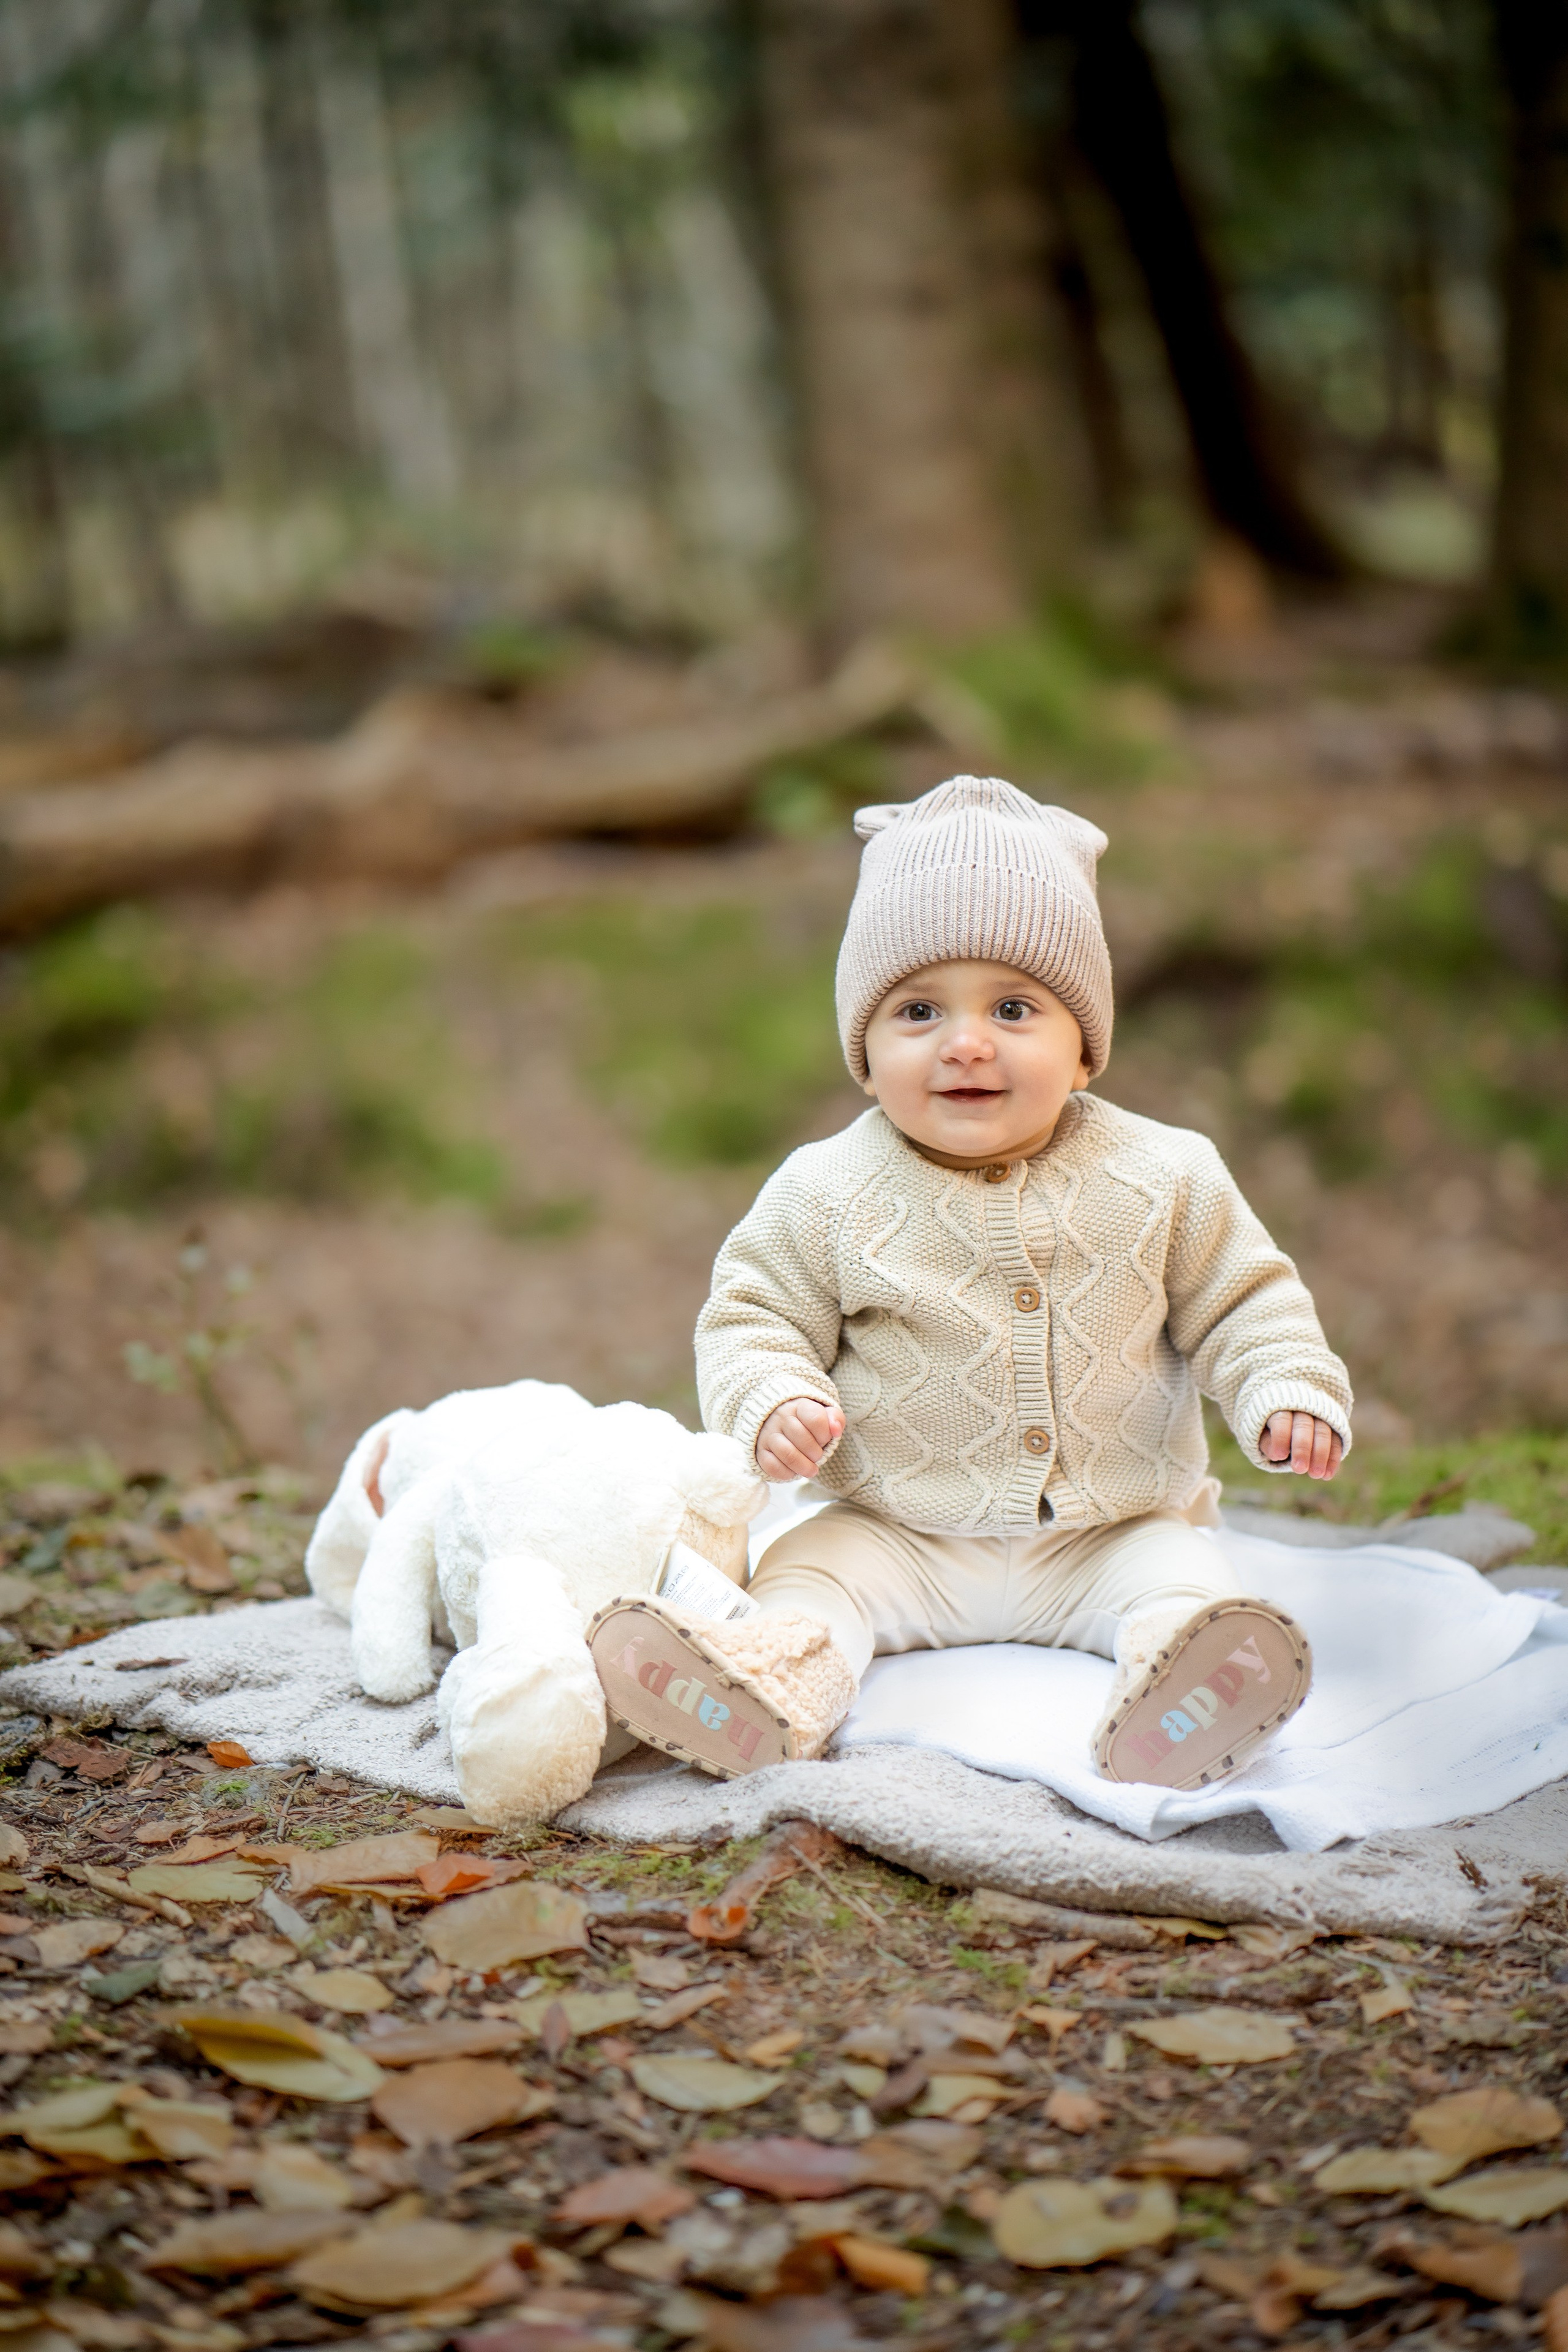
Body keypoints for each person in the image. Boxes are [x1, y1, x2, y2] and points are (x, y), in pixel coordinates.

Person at [587, 775, 1351, 1790]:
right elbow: (750, 1317)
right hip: (898, 1530)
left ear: (1084, 1048)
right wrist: (772, 1396)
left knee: (1186, 1583)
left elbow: (1245, 1301)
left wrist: (1285, 1386)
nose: (966, 1042)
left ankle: (1188, 1690)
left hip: (1107, 1529)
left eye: (1013, 1006)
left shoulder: (1166, 1173)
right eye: (917, 1009)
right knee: (807, 1581)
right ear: (865, 1056)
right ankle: (765, 1691)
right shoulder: (827, 1189)